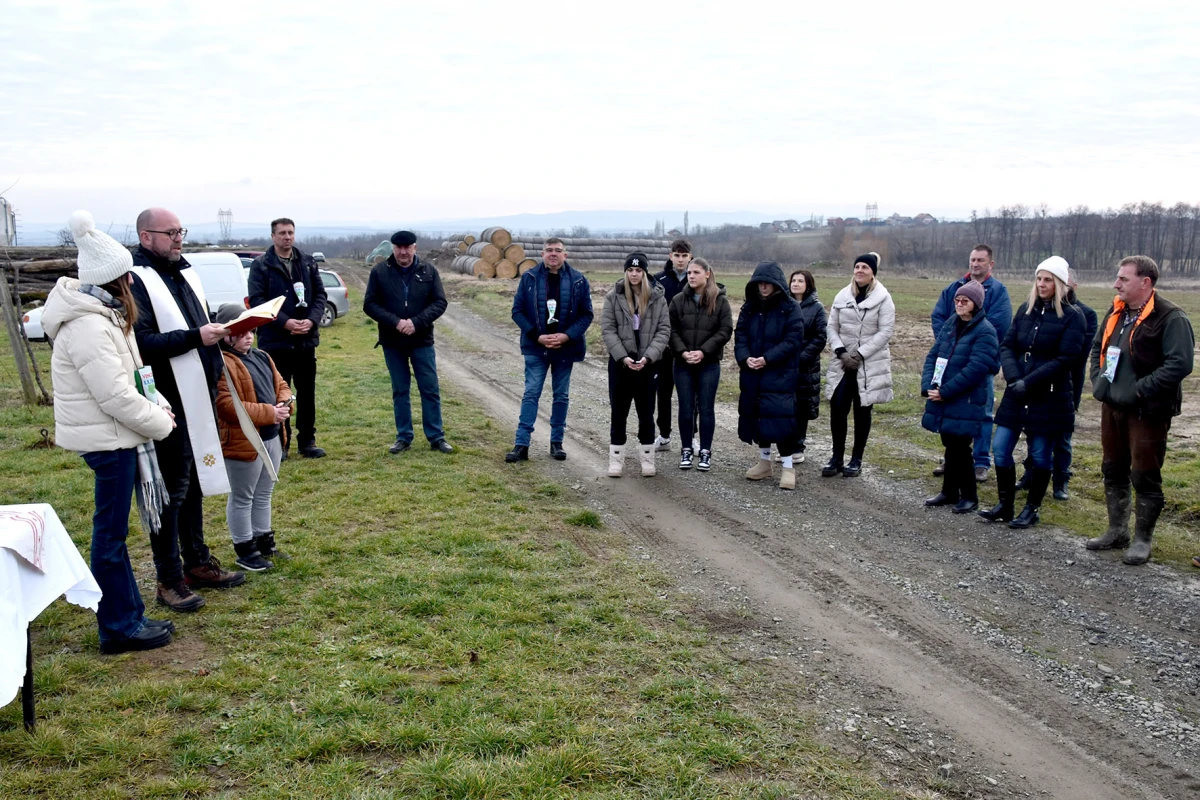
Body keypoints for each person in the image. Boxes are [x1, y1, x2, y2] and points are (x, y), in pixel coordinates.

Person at [42, 211, 177, 653]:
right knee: (110, 539)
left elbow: (134, 376)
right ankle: (119, 627)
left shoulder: (104, 316)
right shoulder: (88, 325)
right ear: (113, 280)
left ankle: (129, 616)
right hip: (108, 440)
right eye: (127, 277)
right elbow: (115, 397)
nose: (134, 284)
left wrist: (158, 403)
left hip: (116, 436)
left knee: (113, 536)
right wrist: (160, 425)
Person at [129, 207, 245, 612]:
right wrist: (198, 336)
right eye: (171, 232)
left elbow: (203, 325)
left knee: (194, 481)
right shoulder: (136, 279)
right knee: (171, 489)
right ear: (146, 237)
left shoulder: (186, 272)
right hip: (167, 400)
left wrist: (224, 334)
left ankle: (197, 562)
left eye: (182, 231)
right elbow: (140, 343)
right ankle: (168, 578)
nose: (179, 238)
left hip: (200, 391)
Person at [1086, 255, 1194, 565]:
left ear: (1145, 283)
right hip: (1113, 406)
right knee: (1113, 468)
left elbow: (1180, 364)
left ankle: (1142, 539)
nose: (1116, 283)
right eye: (1117, 278)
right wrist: (1099, 380)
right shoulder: (1117, 311)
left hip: (1148, 411)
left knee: (1144, 474)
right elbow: (1098, 349)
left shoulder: (1171, 317)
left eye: (1123, 279)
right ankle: (1116, 531)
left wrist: (1139, 390)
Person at [979, 256, 1086, 528]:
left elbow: (1067, 359)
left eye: (1048, 279)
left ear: (1060, 283)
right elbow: (1007, 345)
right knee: (1001, 448)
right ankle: (1005, 505)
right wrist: (1015, 378)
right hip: (1017, 393)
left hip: (1048, 396)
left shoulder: (1073, 318)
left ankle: (1032, 508)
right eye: (1039, 278)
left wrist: (1030, 381)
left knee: (1040, 454)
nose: (1042, 284)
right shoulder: (1026, 309)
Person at [213, 303, 291, 573]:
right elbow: (226, 404)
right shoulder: (220, 363)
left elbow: (280, 384)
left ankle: (264, 540)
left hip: (271, 436)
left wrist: (284, 403)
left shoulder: (262, 356)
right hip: (242, 440)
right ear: (227, 334)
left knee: (264, 492)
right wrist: (270, 412)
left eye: (252, 331)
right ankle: (244, 549)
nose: (249, 336)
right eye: (242, 331)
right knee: (243, 495)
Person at [363, 230, 453, 454]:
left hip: (421, 340)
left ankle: (436, 437)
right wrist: (396, 322)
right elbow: (370, 304)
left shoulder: (429, 271)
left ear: (415, 247)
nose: (403, 252)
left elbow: (440, 302)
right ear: (392, 248)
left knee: (430, 389)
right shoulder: (380, 272)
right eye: (398, 247)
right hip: (393, 341)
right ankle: (404, 436)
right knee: (400, 390)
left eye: (408, 247)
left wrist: (416, 322)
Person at [506, 238, 593, 462]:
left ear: (565, 254)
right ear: (542, 253)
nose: (553, 254)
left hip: (565, 349)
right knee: (531, 394)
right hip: (536, 348)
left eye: (558, 250)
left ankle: (556, 443)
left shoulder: (579, 280)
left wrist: (566, 336)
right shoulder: (529, 278)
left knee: (561, 396)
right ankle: (521, 444)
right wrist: (538, 336)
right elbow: (517, 311)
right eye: (549, 250)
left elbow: (587, 314)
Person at [247, 218, 328, 459]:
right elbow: (257, 301)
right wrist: (285, 322)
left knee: (307, 393)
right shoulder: (261, 265)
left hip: (305, 341)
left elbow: (320, 295)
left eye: (290, 232)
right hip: (276, 341)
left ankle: (308, 442)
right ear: (273, 236)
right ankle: (282, 443)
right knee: (277, 395)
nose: (287, 237)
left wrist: (312, 320)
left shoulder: (308, 263)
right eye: (282, 233)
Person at [930, 244, 1012, 482]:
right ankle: (952, 459)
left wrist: (969, 347)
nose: (976, 264)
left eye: (981, 260)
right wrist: (950, 345)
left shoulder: (997, 291)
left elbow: (998, 326)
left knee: (982, 412)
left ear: (990, 264)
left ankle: (981, 462)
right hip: (951, 364)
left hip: (980, 365)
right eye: (973, 259)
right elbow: (939, 318)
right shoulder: (953, 288)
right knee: (951, 411)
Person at [1015, 268, 1098, 500]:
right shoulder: (1037, 310)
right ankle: (1030, 473)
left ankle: (1061, 480)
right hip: (1036, 382)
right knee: (1033, 430)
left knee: (1061, 436)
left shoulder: (1085, 314)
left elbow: (1077, 354)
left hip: (1067, 383)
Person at [920, 281, 1000, 513]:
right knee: (949, 442)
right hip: (943, 394)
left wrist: (946, 392)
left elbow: (976, 369)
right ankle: (949, 492)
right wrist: (929, 386)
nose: (959, 304)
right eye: (957, 300)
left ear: (976, 304)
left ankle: (970, 496)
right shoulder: (951, 325)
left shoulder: (985, 331)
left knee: (961, 446)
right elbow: (934, 355)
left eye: (965, 301)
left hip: (965, 398)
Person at [823, 252, 895, 478]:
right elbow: (831, 327)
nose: (860, 271)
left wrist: (860, 355)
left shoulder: (884, 298)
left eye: (865, 267)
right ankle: (836, 457)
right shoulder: (842, 296)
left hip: (868, 365)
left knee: (862, 411)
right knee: (837, 408)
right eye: (857, 267)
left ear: (873, 271)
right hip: (843, 364)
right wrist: (842, 353)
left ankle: (856, 459)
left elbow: (885, 332)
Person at [601, 253, 672, 477]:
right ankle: (616, 460)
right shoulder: (614, 296)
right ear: (626, 272)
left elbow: (664, 330)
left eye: (638, 270)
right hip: (621, 365)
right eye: (630, 270)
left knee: (646, 413)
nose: (634, 274)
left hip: (648, 365)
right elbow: (608, 329)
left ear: (644, 272)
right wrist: (622, 357)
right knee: (618, 412)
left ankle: (647, 459)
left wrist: (648, 357)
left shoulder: (658, 297)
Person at [736, 262, 805, 489]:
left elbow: (793, 340)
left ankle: (788, 467)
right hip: (753, 371)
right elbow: (741, 335)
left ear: (776, 284)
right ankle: (764, 462)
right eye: (759, 283)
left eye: (767, 283)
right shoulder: (750, 307)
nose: (763, 287)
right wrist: (745, 358)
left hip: (780, 372)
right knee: (758, 416)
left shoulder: (791, 307)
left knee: (782, 420)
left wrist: (767, 358)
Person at [669, 257, 733, 471]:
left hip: (709, 364)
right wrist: (683, 352)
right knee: (686, 408)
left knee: (706, 408)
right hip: (682, 363)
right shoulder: (678, 300)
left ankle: (705, 451)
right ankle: (686, 449)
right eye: (689, 273)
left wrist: (703, 352)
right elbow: (671, 330)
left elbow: (725, 330)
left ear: (707, 274)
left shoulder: (720, 301)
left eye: (696, 272)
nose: (692, 276)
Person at [651, 239, 693, 451]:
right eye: (677, 255)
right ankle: (664, 434)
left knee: (689, 394)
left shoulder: (696, 280)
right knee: (663, 392)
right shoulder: (659, 280)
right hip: (664, 347)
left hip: (688, 346)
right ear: (670, 256)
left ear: (690, 257)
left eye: (684, 256)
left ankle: (691, 436)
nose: (680, 259)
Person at [788, 269, 827, 463]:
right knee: (785, 405)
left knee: (801, 407)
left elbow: (820, 337)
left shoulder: (817, 308)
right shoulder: (784, 305)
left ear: (808, 284)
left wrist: (802, 357)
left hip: (806, 366)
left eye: (800, 281)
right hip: (785, 365)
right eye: (793, 280)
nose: (795, 284)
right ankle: (785, 446)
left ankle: (797, 446)